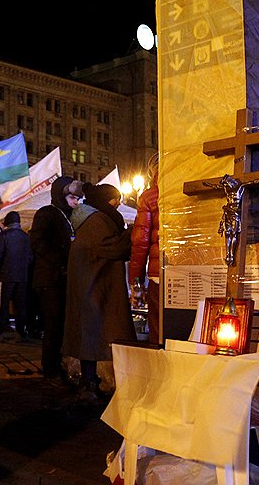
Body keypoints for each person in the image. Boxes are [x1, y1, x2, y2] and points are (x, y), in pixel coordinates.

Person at [63, 183, 134, 399]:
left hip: (92, 283)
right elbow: (113, 247)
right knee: (92, 335)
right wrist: (132, 231)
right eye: (115, 200)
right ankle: (90, 383)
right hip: (93, 286)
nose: (119, 204)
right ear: (105, 201)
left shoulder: (91, 218)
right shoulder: (96, 220)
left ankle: (90, 382)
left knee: (91, 335)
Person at [30, 176, 81, 381]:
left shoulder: (68, 217)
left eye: (77, 198)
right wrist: (59, 262)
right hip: (49, 279)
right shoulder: (47, 213)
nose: (76, 202)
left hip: (61, 279)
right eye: (72, 197)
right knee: (53, 324)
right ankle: (50, 368)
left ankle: (57, 363)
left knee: (60, 324)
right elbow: (37, 243)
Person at [129, 153, 161, 344]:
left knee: (159, 329)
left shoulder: (150, 196)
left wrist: (136, 282)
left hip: (160, 277)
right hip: (196, 271)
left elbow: (140, 243)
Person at [0, 211, 33, 341]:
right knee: (21, 305)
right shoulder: (26, 237)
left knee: (3, 304)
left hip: (6, 275)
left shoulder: (3, 236)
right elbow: (30, 257)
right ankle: (21, 331)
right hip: (22, 276)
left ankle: (0, 331)